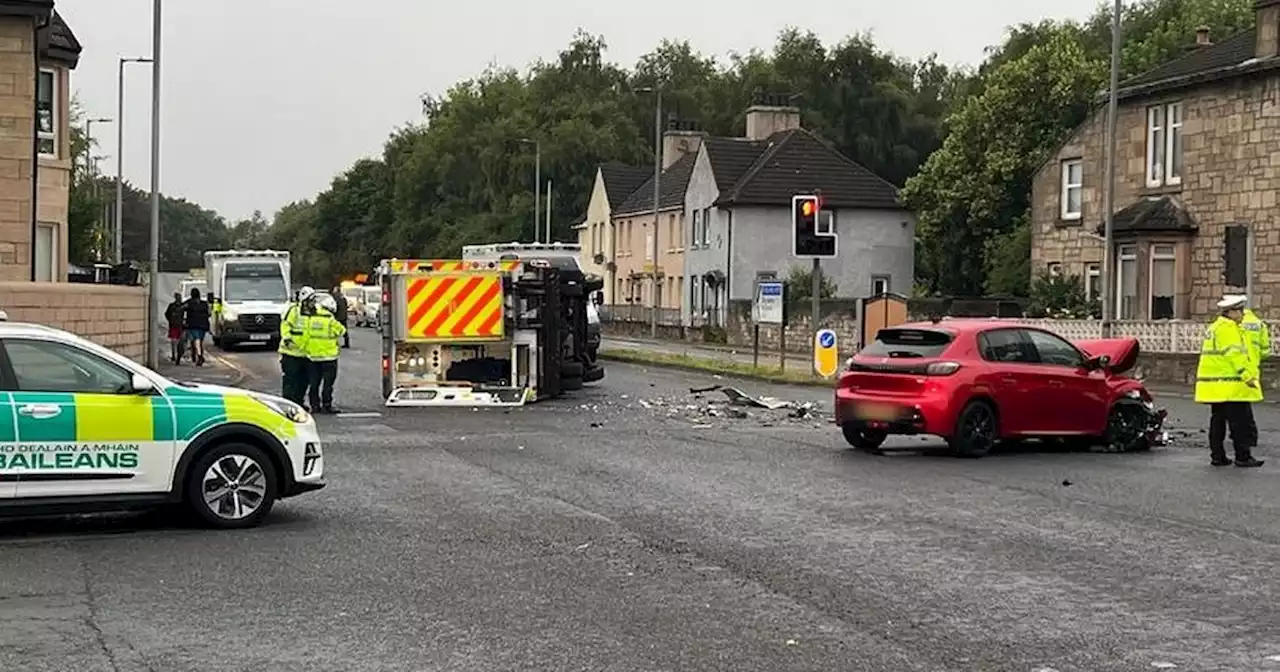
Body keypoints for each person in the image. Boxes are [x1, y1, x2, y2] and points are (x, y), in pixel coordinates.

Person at [1194, 294, 1264, 467]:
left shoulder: (1215, 327)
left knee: (1217, 420)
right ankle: (1243, 457)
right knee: (1238, 422)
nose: (1242, 314)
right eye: (1239, 310)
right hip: (1230, 384)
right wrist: (1247, 376)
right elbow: (1234, 355)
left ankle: (1217, 456)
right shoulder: (1229, 329)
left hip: (1215, 385)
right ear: (1230, 312)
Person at [305, 293, 346, 413]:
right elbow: (341, 331)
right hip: (329, 358)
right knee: (328, 384)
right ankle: (327, 405)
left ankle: (315, 406)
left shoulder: (311, 319)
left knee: (314, 384)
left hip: (313, 357)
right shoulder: (330, 320)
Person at [278, 286, 315, 405]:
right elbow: (285, 325)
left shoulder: (314, 312)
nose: (313, 303)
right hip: (291, 353)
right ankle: (288, 404)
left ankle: (299, 403)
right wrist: (287, 338)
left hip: (306, 354)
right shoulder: (293, 310)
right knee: (291, 380)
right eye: (311, 300)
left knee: (304, 381)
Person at [183, 287, 211, 367]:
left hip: (193, 325)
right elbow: (209, 313)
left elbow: (182, 308)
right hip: (203, 325)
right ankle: (198, 356)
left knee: (195, 341)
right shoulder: (204, 303)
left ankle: (198, 356)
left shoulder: (189, 302)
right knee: (199, 341)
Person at [165, 292, 186, 364]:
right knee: (180, 342)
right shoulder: (183, 306)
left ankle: (174, 355)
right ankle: (178, 355)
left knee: (173, 342)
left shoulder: (171, 306)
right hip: (180, 326)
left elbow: (166, 314)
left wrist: (170, 321)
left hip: (173, 326)